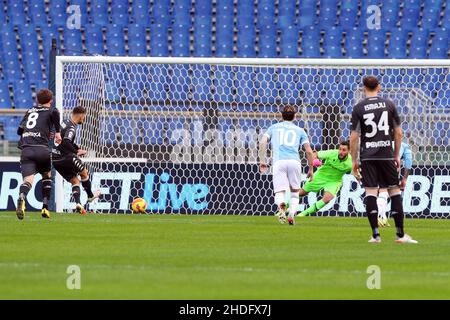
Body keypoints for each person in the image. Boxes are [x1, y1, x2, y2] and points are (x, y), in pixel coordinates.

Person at [350, 76, 417, 244]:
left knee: (371, 192)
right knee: (394, 192)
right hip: (386, 154)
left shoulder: (358, 108)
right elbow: (399, 133)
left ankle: (375, 235)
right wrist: (396, 155)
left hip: (368, 156)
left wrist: (354, 160)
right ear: (378, 87)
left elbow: (353, 137)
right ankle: (400, 235)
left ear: (364, 87)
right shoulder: (389, 105)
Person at [259, 105, 314, 225]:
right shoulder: (300, 130)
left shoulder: (273, 127)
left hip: (279, 162)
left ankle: (281, 206)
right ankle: (291, 215)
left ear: (281, 115)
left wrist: (262, 160)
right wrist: (310, 168)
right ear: (295, 116)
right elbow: (309, 151)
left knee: (279, 191)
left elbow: (262, 142)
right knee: (294, 192)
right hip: (294, 162)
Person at [16, 89, 62, 220]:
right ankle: (45, 208)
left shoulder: (30, 111)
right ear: (51, 100)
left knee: (28, 181)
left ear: (37, 100)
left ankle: (22, 196)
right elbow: (55, 113)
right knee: (46, 176)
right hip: (42, 149)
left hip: (26, 150)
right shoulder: (52, 110)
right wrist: (57, 133)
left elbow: (19, 131)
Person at [52, 106, 100, 214]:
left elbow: (63, 140)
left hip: (55, 160)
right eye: (84, 117)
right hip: (66, 157)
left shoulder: (64, 123)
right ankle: (90, 196)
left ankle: (78, 203)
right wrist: (76, 152)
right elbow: (67, 141)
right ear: (81, 115)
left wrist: (77, 148)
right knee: (84, 173)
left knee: (75, 180)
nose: (84, 119)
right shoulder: (72, 128)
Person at [297, 141, 353, 217]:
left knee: (327, 199)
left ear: (349, 151)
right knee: (301, 193)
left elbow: (356, 171)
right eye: (340, 149)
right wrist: (313, 158)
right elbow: (316, 154)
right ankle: (282, 210)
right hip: (320, 176)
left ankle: (302, 215)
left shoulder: (350, 163)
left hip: (334, 181)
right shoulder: (332, 153)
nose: (340, 152)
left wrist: (358, 176)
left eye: (344, 150)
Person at [377, 141, 413, 227]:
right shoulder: (404, 145)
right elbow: (408, 162)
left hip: (375, 163)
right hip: (391, 165)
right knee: (389, 192)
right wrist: (404, 179)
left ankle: (383, 217)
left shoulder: (381, 142)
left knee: (384, 191)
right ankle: (378, 215)